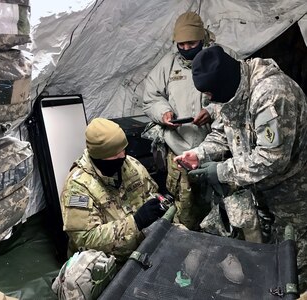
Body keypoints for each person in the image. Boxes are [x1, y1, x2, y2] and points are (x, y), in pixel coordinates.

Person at [175, 45, 307, 291]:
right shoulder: (233, 90)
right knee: (270, 256)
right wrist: (199, 153)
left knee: (294, 263)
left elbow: (272, 157)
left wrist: (222, 171)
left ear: (225, 85)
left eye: (211, 94)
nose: (209, 101)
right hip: (262, 191)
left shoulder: (272, 95)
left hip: (293, 194)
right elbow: (223, 130)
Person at [143, 11, 236, 230]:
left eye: (191, 43)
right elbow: (151, 97)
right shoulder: (168, 64)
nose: (185, 49)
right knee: (185, 211)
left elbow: (236, 93)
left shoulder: (221, 57)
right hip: (179, 151)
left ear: (202, 38)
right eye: (181, 44)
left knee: (225, 210)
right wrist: (164, 113)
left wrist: (212, 110)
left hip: (217, 150)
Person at [59, 118, 164, 262]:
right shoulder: (78, 186)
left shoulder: (131, 165)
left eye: (123, 151)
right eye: (115, 155)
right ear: (99, 156)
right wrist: (135, 222)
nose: (122, 158)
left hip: (141, 248)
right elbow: (85, 239)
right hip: (106, 262)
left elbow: (151, 193)